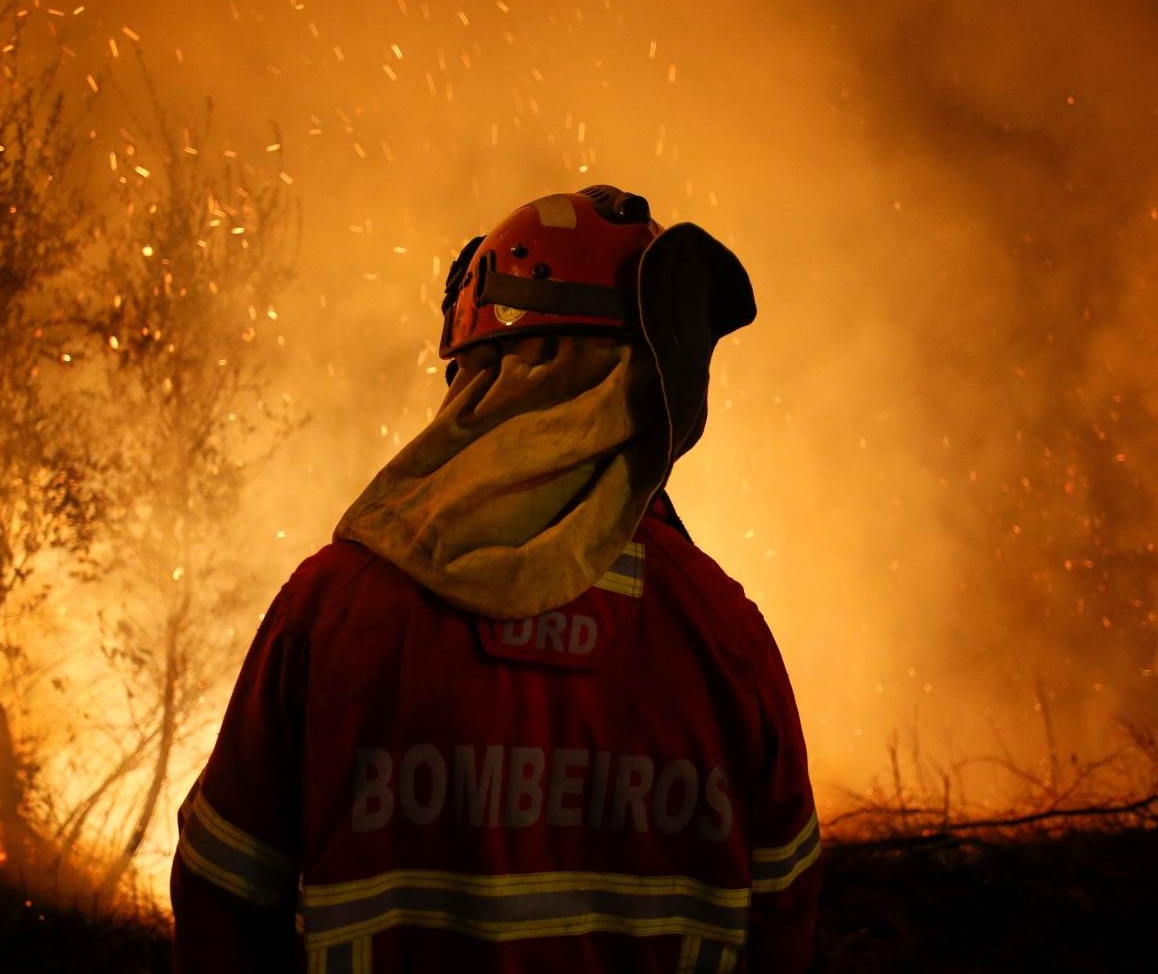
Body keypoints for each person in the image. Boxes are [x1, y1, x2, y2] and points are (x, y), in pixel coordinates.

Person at [171, 185, 821, 973]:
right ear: (650, 376)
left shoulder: (334, 608)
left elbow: (223, 906)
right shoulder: (723, 634)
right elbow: (785, 930)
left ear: (478, 371)